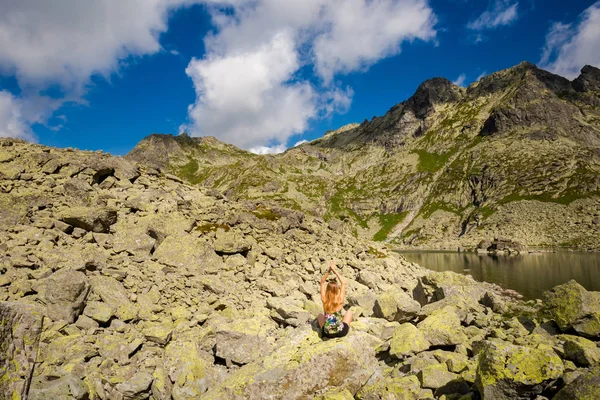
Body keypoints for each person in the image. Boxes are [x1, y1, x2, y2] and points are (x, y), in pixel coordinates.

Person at [317, 260, 353, 338]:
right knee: (349, 312)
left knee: (320, 315)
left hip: (327, 333)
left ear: (327, 289)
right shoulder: (340, 300)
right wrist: (334, 270)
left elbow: (322, 282)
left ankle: (323, 332)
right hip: (340, 332)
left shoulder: (324, 299)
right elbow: (343, 283)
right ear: (337, 289)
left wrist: (329, 270)